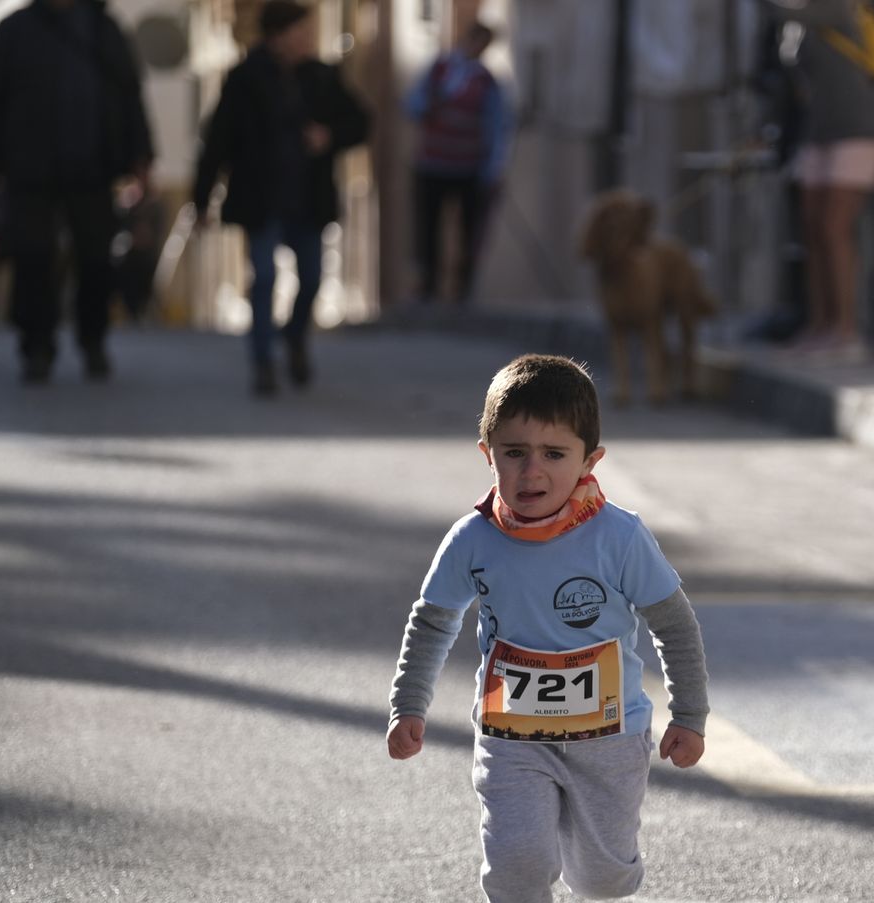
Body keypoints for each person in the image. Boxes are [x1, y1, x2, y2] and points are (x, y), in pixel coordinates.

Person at [387, 354, 709, 902]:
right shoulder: (472, 540)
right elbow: (433, 623)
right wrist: (408, 705)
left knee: (602, 880)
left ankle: (599, 879)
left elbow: (673, 625)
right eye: (514, 453)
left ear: (590, 460)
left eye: (553, 454)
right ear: (488, 455)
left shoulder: (620, 537)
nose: (531, 471)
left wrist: (689, 715)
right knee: (518, 863)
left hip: (610, 738)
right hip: (511, 738)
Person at [0, 0, 154, 384]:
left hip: (92, 166)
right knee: (34, 257)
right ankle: (36, 345)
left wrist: (140, 157)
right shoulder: (15, 31)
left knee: (95, 258)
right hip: (29, 168)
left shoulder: (103, 29)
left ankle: (93, 339)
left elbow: (129, 94)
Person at [193, 0, 370, 397]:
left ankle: (293, 338)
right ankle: (262, 363)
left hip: (308, 199)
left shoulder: (323, 77)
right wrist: (201, 201)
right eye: (300, 32)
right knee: (264, 279)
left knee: (311, 280)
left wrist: (328, 136)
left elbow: (359, 121)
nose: (308, 39)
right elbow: (217, 141)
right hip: (261, 199)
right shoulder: (244, 79)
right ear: (277, 36)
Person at [761, 0, 874, 364]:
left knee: (835, 229)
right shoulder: (798, 20)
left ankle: (847, 331)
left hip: (855, 132)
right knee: (813, 230)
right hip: (816, 135)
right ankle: (820, 327)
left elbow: (778, 9)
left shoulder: (836, 7)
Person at [405, 21, 512, 307]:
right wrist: (434, 101)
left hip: (468, 167)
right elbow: (412, 105)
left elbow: (497, 126)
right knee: (428, 227)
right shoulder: (439, 70)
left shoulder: (487, 82)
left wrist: (493, 169)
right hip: (432, 163)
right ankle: (428, 285)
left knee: (469, 230)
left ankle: (463, 288)